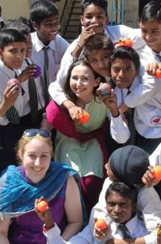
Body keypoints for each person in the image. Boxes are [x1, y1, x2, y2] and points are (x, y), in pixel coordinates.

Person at [49, 0, 145, 117]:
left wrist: (124, 44)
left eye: (99, 16)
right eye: (89, 16)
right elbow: (61, 81)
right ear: (82, 20)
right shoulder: (76, 46)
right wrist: (79, 46)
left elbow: (145, 36)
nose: (94, 21)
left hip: (129, 95)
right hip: (99, 104)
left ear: (107, 19)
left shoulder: (118, 32)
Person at [46, 59, 109, 214]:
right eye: (74, 78)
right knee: (70, 181)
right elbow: (50, 115)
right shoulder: (65, 98)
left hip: (92, 141)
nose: (79, 83)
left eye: (85, 78)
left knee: (91, 182)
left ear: (96, 82)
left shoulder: (103, 100)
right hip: (68, 140)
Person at [0, 128, 83, 243]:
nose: (38, 163)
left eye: (44, 156)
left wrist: (58, 241)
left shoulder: (64, 179)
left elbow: (76, 222)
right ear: (21, 155)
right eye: (32, 156)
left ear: (51, 155)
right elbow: (0, 232)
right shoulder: (9, 181)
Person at [40, 182, 161, 244]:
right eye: (111, 204)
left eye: (123, 205)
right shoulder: (95, 231)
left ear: (134, 206)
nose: (116, 210)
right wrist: (49, 223)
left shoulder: (148, 230)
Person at [104, 46, 161, 154]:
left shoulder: (156, 85)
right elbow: (121, 138)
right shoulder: (115, 94)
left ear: (136, 71)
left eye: (128, 69)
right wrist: (115, 113)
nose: (121, 75)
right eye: (116, 70)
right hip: (141, 140)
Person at [90, 145, 161, 233]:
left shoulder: (146, 193)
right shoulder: (109, 182)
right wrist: (100, 230)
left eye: (110, 166)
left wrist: (120, 242)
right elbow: (100, 213)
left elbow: (158, 230)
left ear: (121, 176)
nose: (105, 166)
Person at [0, 29, 30, 174]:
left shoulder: (16, 70)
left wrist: (20, 80)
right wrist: (5, 105)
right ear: (0, 52)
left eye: (23, 51)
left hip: (15, 128)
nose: (19, 56)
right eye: (13, 51)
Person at [30, 0, 69, 107]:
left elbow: (74, 58)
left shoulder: (60, 43)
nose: (55, 28)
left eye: (57, 22)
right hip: (32, 105)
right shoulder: (28, 46)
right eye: (48, 24)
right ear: (35, 25)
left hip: (56, 103)